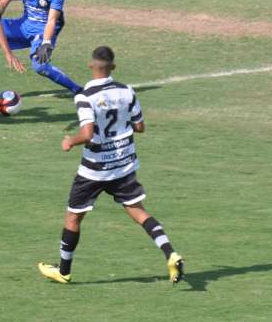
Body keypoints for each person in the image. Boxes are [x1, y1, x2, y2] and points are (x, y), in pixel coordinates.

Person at [38, 46, 184, 285]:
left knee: (73, 218)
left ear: (90, 65)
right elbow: (140, 127)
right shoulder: (127, 91)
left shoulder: (85, 95)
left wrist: (70, 141)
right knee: (138, 211)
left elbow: (87, 133)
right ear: (113, 67)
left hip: (94, 169)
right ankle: (170, 253)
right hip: (123, 165)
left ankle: (63, 271)